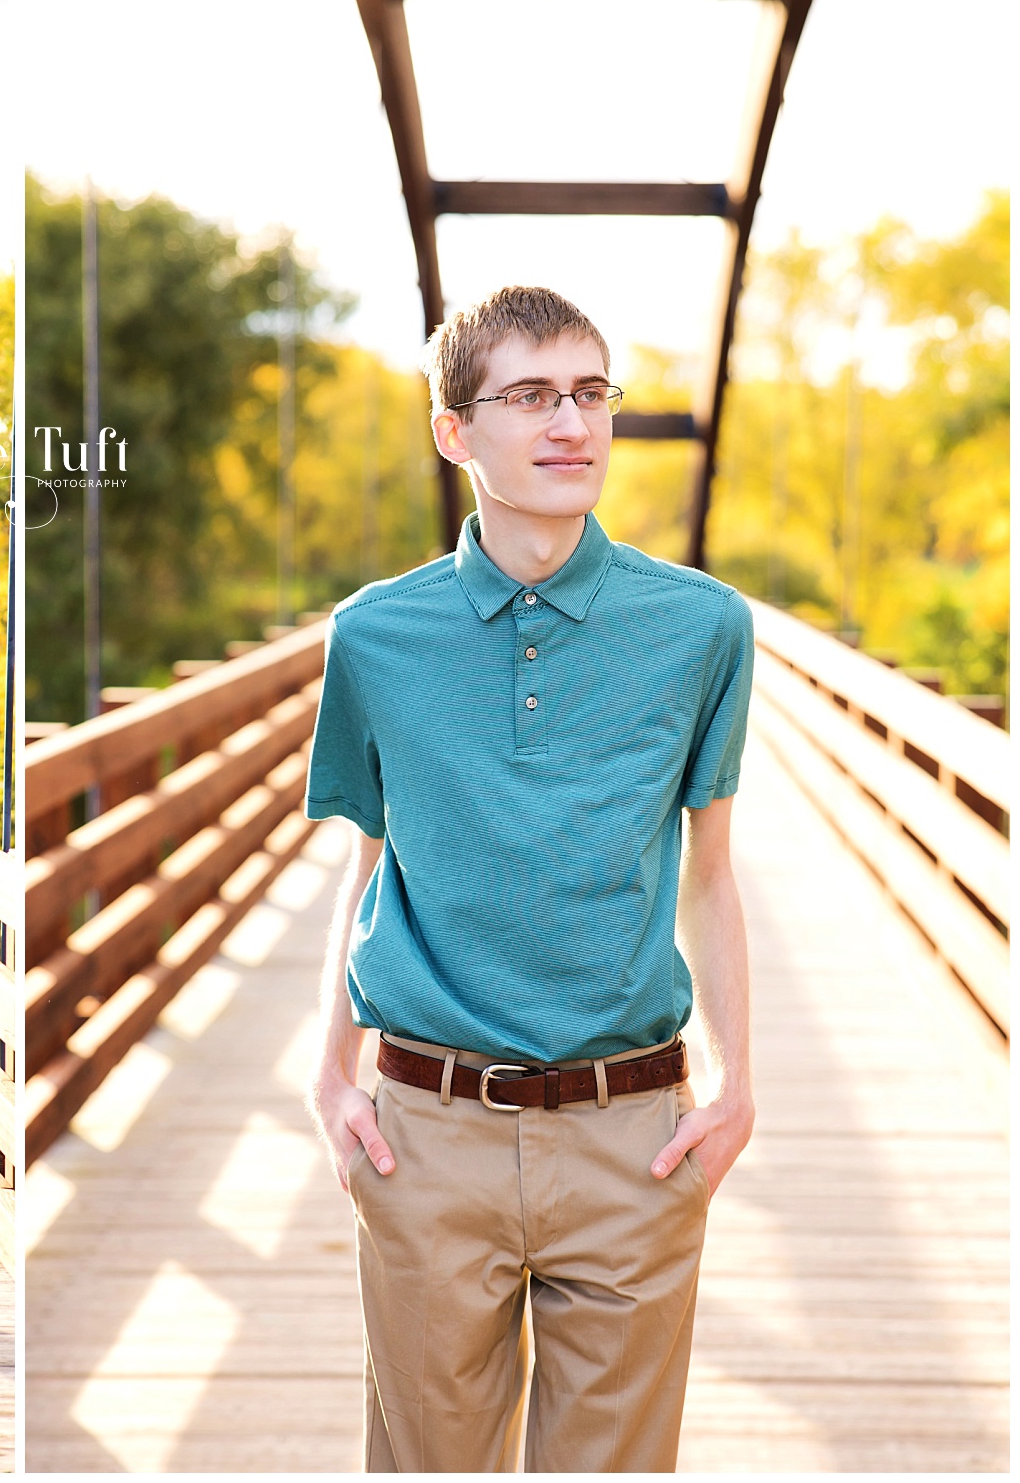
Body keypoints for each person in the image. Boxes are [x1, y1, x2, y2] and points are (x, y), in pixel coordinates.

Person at [305, 286, 754, 1471]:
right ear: (453, 431)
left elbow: (709, 872)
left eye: (591, 392)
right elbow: (367, 859)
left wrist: (736, 1086)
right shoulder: (371, 636)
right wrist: (326, 1081)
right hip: (424, 1136)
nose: (571, 423)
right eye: (529, 395)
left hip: (634, 1140)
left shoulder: (702, 627)